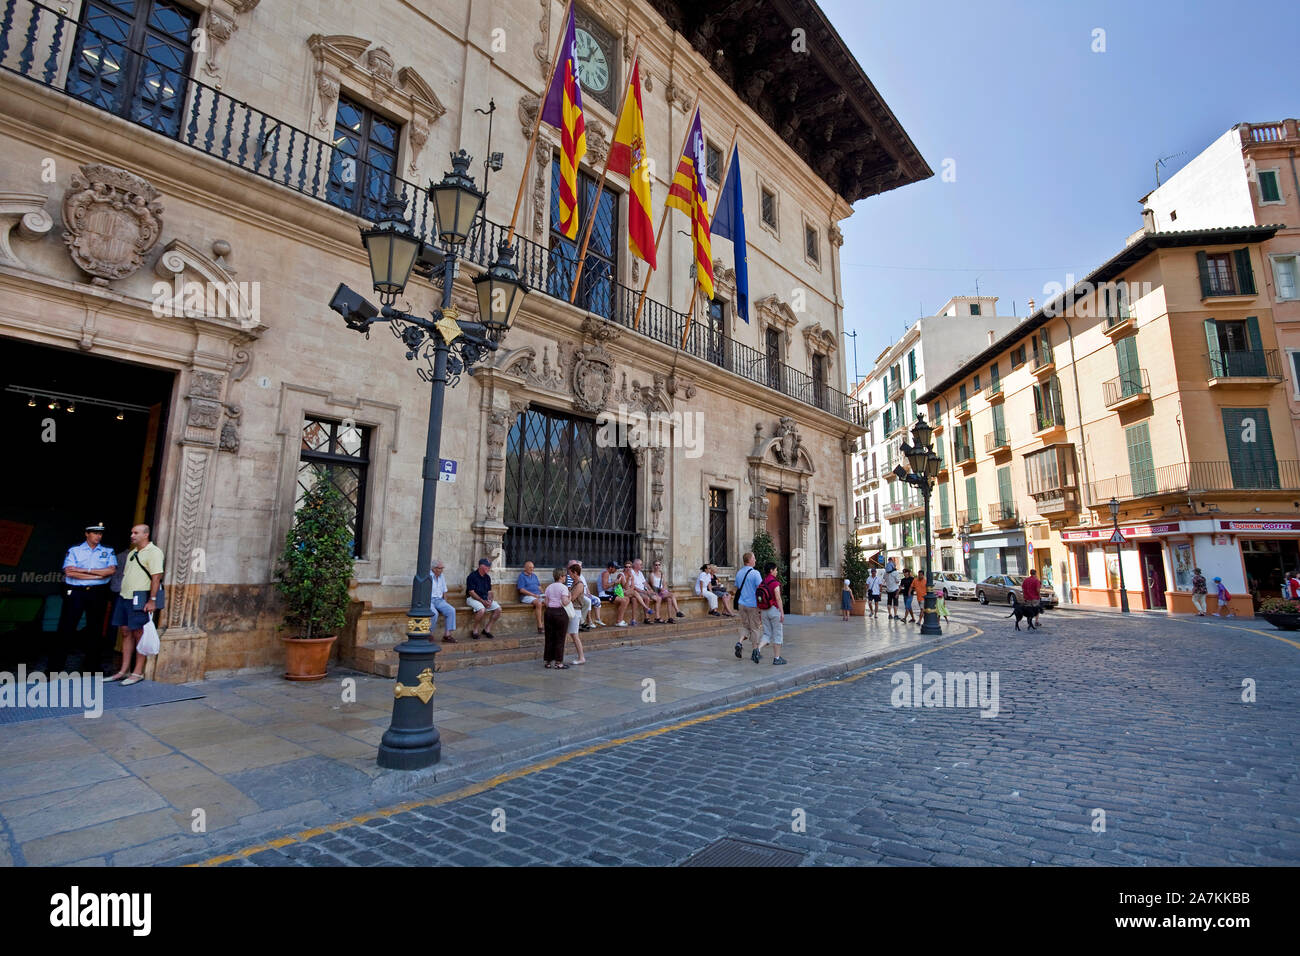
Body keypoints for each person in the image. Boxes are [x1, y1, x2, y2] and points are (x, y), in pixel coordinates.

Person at [53, 521, 117, 674]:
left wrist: (84, 571)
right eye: (95, 533)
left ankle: (92, 667)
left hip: (97, 593)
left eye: (100, 533)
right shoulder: (74, 550)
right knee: (66, 628)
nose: (98, 536)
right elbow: (69, 572)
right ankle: (54, 668)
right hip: (76, 592)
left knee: (95, 630)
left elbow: (110, 571)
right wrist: (97, 573)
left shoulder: (108, 550)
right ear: (87, 534)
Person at [106, 524, 164, 685]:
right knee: (125, 631)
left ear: (146, 534)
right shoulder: (133, 552)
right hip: (125, 596)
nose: (132, 535)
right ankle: (123, 671)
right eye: (131, 532)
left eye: (136, 533)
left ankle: (137, 672)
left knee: (139, 634)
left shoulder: (154, 552)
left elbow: (156, 577)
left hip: (140, 597)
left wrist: (152, 600)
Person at [756, 561, 787, 665]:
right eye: (775, 570)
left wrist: (760, 612)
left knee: (767, 633)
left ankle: (758, 650)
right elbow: (778, 598)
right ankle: (777, 658)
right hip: (774, 610)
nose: (776, 572)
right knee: (777, 634)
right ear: (771, 570)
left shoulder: (762, 582)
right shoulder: (775, 583)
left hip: (764, 611)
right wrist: (782, 613)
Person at [734, 551, 762, 660]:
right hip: (753, 604)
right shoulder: (755, 573)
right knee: (755, 628)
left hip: (741, 604)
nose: (755, 560)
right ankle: (755, 651)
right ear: (749, 560)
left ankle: (739, 643)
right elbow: (760, 589)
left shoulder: (739, 573)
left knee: (746, 626)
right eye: (754, 558)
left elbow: (737, 586)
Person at [542, 568, 571, 669]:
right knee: (560, 638)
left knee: (549, 637)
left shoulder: (549, 587)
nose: (565, 578)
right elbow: (564, 602)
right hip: (560, 613)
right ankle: (559, 662)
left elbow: (546, 602)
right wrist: (570, 598)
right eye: (564, 576)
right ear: (560, 576)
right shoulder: (564, 588)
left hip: (549, 613)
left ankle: (548, 662)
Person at [465, 558, 501, 639]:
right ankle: (475, 630)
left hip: (484, 598)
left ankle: (487, 629)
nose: (489, 568)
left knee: (498, 609)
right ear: (481, 566)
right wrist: (482, 601)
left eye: (489, 567)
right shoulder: (472, 576)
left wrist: (490, 600)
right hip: (472, 598)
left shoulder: (487, 577)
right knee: (481, 610)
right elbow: (471, 592)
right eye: (487, 567)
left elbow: (489, 592)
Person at [565, 561, 588, 663]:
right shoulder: (574, 583)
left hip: (575, 611)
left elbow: (572, 597)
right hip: (571, 611)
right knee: (570, 634)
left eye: (570, 573)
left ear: (575, 573)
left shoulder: (579, 584)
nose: (569, 575)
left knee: (574, 635)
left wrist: (567, 593)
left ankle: (581, 657)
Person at [430, 560, 457, 642]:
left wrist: (445, 603)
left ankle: (447, 635)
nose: (442, 570)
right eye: (440, 568)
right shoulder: (428, 576)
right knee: (434, 613)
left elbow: (444, 591)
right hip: (429, 600)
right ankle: (429, 634)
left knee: (451, 610)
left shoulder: (442, 576)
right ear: (434, 569)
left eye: (442, 568)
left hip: (439, 600)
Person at [516, 560, 545, 634]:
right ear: (525, 568)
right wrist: (533, 595)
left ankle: (544, 624)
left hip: (537, 595)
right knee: (538, 603)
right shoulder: (522, 576)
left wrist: (544, 594)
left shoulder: (534, 576)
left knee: (550, 602)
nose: (532, 569)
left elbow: (539, 587)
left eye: (533, 567)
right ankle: (539, 626)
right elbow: (521, 590)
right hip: (526, 596)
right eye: (530, 567)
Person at [629, 558, 660, 624]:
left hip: (643, 591)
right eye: (640, 565)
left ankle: (657, 617)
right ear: (636, 565)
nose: (642, 566)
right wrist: (644, 592)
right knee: (646, 598)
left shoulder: (640, 573)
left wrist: (650, 589)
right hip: (636, 591)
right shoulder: (631, 572)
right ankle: (647, 618)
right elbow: (633, 586)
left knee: (657, 597)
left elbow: (645, 583)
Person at [600, 561, 631, 626]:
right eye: (615, 568)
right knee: (624, 601)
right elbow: (604, 587)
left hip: (609, 594)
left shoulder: (608, 573)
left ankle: (620, 620)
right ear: (611, 568)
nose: (616, 570)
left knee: (627, 599)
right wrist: (615, 583)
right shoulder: (606, 573)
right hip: (604, 595)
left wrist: (615, 583)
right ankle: (619, 621)